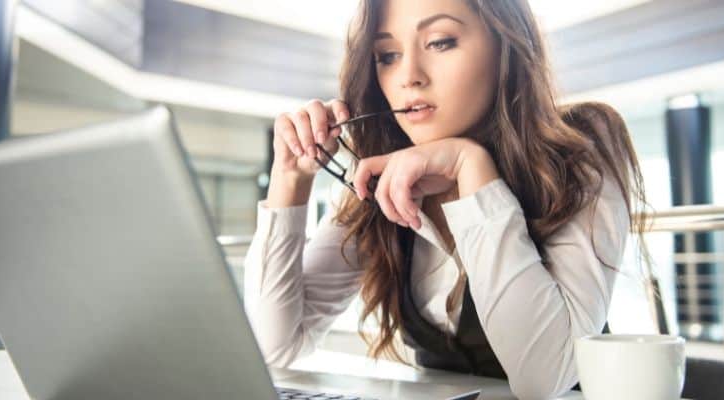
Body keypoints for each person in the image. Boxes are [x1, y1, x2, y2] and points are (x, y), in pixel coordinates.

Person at [243, 1, 649, 399]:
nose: (409, 76)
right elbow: (274, 349)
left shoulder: (582, 146)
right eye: (387, 55)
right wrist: (289, 181)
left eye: (439, 42)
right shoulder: (376, 175)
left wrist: (469, 167)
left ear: (505, 45)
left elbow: (545, 380)